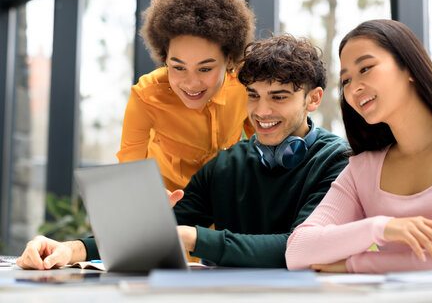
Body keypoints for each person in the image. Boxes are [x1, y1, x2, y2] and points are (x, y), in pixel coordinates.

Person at [16, 34, 349, 270]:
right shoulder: (226, 166)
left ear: (313, 99)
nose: (261, 111)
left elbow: (298, 248)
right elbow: (158, 228)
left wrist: (193, 238)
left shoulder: (337, 161)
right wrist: (70, 249)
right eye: (253, 95)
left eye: (279, 97)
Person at [285, 19, 432, 276]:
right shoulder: (364, 168)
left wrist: (354, 265)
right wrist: (381, 228)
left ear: (410, 68)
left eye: (366, 68)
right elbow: (297, 251)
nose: (354, 87)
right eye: (346, 80)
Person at [119, 0, 255, 193]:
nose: (191, 84)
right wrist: (147, 196)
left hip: (225, 208)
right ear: (165, 58)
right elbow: (128, 171)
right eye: (178, 68)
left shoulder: (246, 86)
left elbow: (266, 147)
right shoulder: (146, 96)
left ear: (229, 60)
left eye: (205, 69)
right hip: (168, 210)